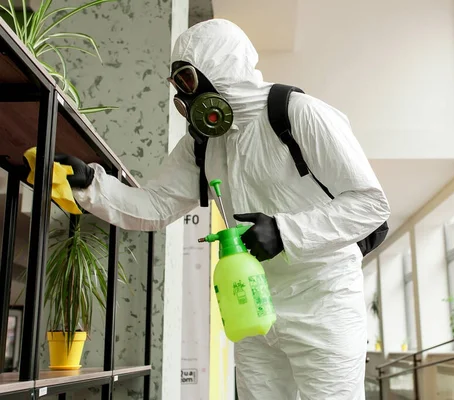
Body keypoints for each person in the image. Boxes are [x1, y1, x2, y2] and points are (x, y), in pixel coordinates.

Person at [57, 19, 390, 400]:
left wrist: (285, 232)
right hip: (252, 300)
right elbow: (154, 205)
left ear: (222, 70)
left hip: (324, 300)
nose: (185, 101)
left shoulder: (300, 114)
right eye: (178, 87)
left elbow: (371, 204)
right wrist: (92, 184)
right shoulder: (203, 144)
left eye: (190, 81)